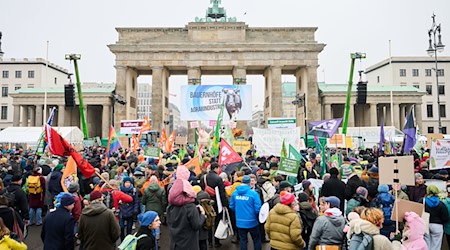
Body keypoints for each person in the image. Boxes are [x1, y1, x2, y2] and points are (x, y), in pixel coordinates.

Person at [167, 165, 206, 250]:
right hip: (189, 244)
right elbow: (196, 225)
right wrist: (202, 215)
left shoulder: (170, 206)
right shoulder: (190, 207)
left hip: (175, 244)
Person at [199, 162, 228, 247]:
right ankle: (216, 240)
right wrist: (225, 204)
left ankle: (209, 241)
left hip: (205, 202)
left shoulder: (203, 177)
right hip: (216, 203)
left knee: (208, 221)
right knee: (217, 221)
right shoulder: (218, 179)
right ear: (216, 168)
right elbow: (222, 193)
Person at [229, 175, 262, 250]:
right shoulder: (253, 194)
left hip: (240, 222)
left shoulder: (234, 193)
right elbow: (258, 208)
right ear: (249, 183)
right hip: (252, 221)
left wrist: (238, 212)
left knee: (243, 241)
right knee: (256, 240)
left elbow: (231, 206)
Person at [423, 184, 449, 250]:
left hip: (425, 224)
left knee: (426, 244)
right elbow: (445, 217)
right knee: (436, 245)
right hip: (438, 225)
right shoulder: (441, 203)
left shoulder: (422, 201)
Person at [119, 176, 140, 241]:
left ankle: (127, 241)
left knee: (129, 229)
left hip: (130, 211)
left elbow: (136, 201)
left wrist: (135, 209)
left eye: (129, 182)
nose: (127, 184)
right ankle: (122, 240)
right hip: (122, 211)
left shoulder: (133, 191)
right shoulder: (120, 190)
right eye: (126, 182)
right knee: (121, 227)